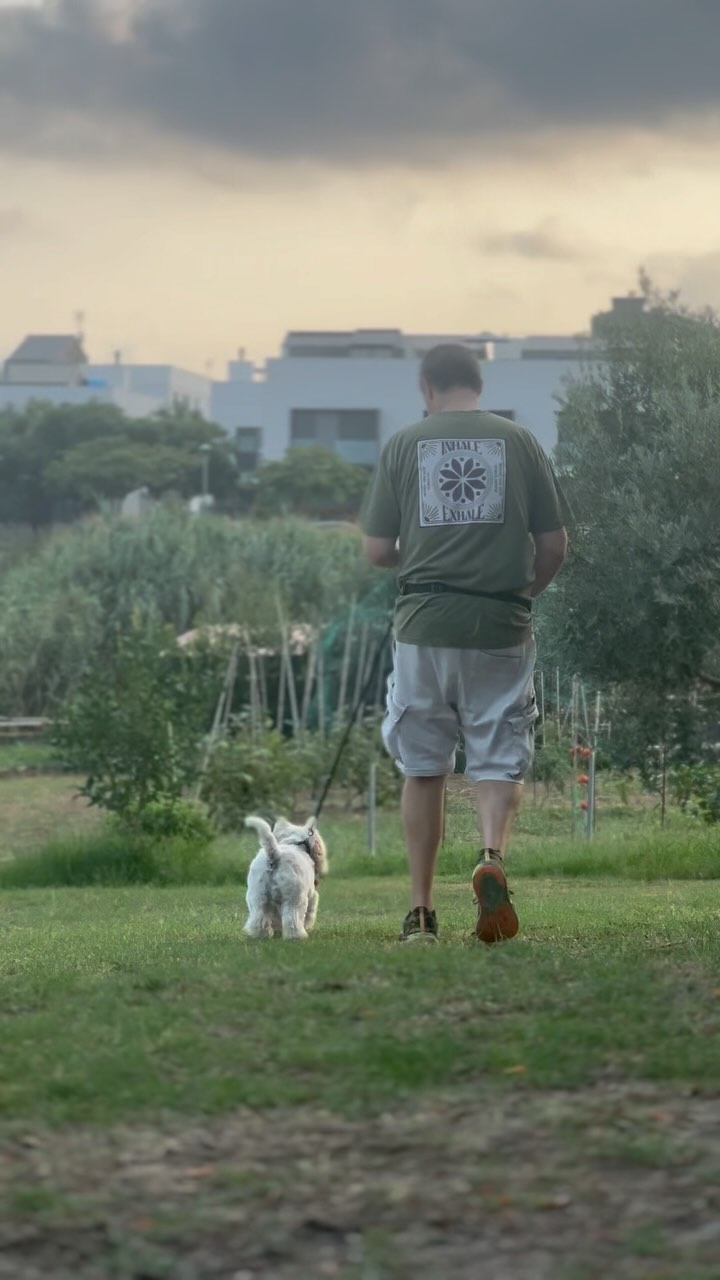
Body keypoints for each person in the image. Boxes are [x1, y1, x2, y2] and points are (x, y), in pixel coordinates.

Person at [361, 343, 568, 944]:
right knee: (497, 758)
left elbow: (377, 551)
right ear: (479, 385)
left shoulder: (404, 444)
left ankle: (421, 913)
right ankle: (490, 859)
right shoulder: (521, 442)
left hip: (423, 625)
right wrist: (520, 592)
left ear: (427, 388)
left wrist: (422, 563)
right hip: (501, 623)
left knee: (423, 766)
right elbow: (554, 544)